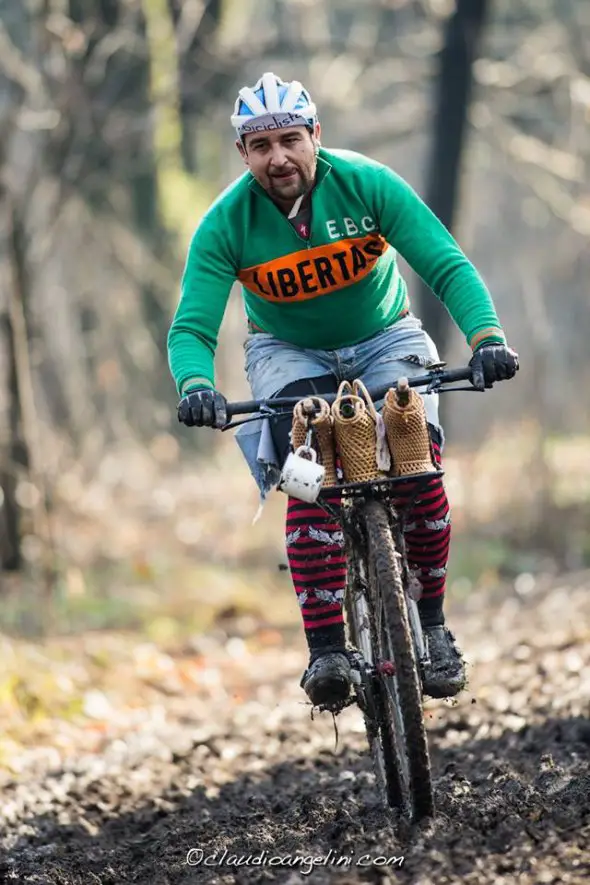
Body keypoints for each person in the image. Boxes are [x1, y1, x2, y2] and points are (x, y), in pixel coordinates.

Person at [168, 72, 518, 707]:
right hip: (286, 351)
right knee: (308, 471)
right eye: (260, 145)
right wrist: (196, 384)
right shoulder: (225, 224)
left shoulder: (368, 183)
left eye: (289, 140)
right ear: (242, 154)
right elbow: (191, 325)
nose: (278, 157)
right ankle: (328, 649)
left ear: (315, 137)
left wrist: (486, 336)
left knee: (416, 464)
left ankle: (434, 629)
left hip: (386, 337)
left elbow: (444, 262)